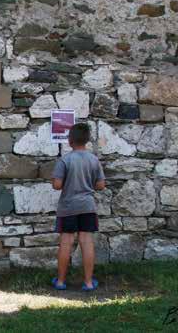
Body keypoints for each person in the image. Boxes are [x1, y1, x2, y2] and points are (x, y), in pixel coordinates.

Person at [51, 122, 106, 292]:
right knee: (86, 242)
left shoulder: (65, 160)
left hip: (68, 207)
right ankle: (88, 283)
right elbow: (101, 185)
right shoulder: (94, 160)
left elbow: (57, 185)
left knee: (66, 242)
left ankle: (60, 282)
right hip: (87, 206)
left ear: (70, 141)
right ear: (87, 140)